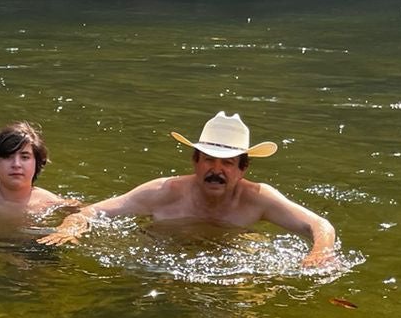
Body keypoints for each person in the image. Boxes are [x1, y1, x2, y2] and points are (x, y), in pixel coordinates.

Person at [42, 112, 336, 267]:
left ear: (243, 169)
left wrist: (319, 253)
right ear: (195, 161)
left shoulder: (258, 199)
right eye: (209, 159)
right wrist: (72, 225)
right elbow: (94, 211)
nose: (216, 171)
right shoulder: (163, 192)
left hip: (230, 260)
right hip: (163, 257)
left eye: (228, 164)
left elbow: (318, 225)